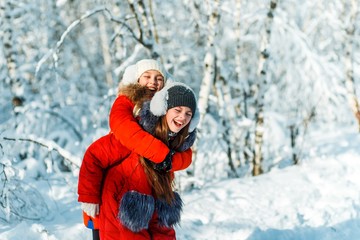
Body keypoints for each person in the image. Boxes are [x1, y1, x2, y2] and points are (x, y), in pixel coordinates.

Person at [77, 59, 196, 239]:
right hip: (122, 204)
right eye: (147, 76)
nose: (153, 82)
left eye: (158, 78)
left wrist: (169, 160)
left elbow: (185, 155)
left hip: (151, 199)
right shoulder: (131, 123)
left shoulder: (169, 132)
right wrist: (89, 197)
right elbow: (96, 153)